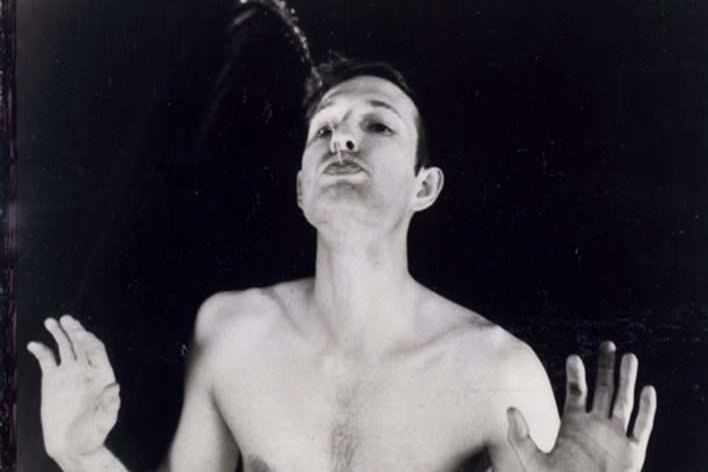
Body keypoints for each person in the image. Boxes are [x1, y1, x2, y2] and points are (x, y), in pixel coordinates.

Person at [27, 58, 657, 472]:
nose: (344, 139)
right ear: (301, 188)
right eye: (323, 129)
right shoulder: (232, 332)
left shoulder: (499, 372)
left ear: (424, 187)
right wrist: (79, 454)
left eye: (378, 126)